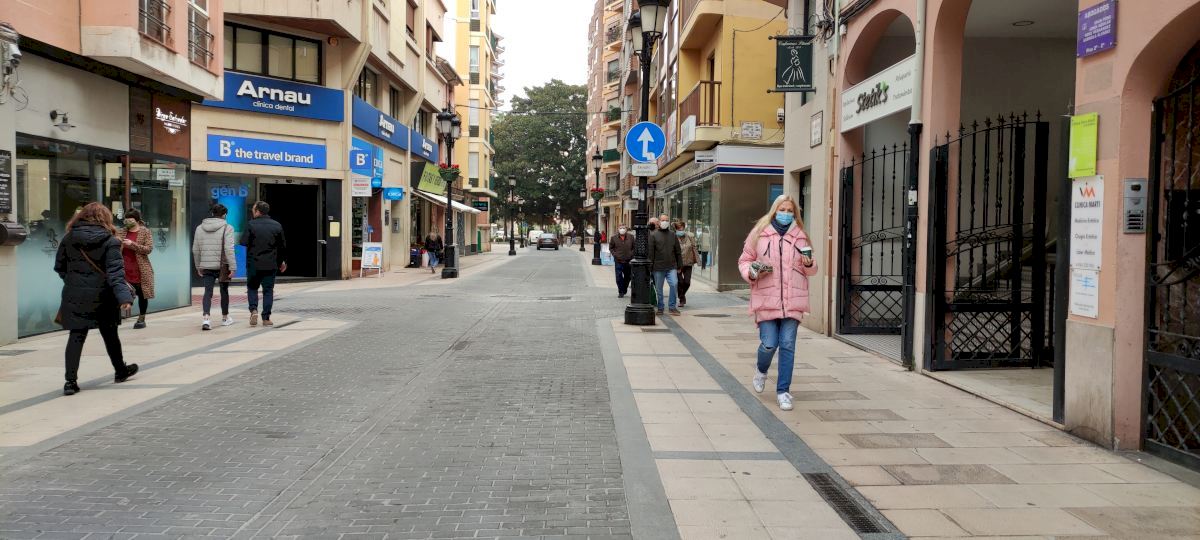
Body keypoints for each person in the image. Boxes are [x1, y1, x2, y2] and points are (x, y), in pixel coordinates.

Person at [738, 195, 817, 411]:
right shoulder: (759, 233)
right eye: (782, 209)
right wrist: (752, 272)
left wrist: (809, 264)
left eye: (790, 210)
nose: (786, 214)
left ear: (795, 214)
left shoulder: (800, 236)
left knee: (788, 345)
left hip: (793, 300)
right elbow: (745, 260)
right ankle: (761, 370)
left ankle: (783, 392)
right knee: (769, 344)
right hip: (766, 298)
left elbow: (811, 269)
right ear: (774, 211)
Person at [55, 202, 139, 395]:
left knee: (76, 335)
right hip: (104, 295)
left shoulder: (69, 238)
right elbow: (115, 273)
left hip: (75, 294)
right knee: (110, 334)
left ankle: (70, 382)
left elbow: (60, 267)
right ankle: (120, 371)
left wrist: (73, 281)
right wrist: (124, 298)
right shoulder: (111, 241)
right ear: (106, 218)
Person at [241, 201, 287, 327]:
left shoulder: (251, 224)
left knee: (252, 288)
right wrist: (281, 262)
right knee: (268, 291)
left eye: (253, 209)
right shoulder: (277, 225)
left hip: (253, 264)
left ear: (257, 211)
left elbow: (243, 242)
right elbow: (282, 246)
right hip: (270, 264)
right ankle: (266, 318)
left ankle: (253, 310)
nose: (252, 212)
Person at [192, 204, 237, 330]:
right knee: (224, 291)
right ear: (224, 215)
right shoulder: (228, 228)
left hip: (206, 265)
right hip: (222, 266)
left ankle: (206, 319)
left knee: (208, 292)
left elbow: (195, 249)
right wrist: (233, 266)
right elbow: (229, 249)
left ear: (212, 214)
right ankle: (225, 318)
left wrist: (198, 266)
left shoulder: (200, 228)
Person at [117, 209, 155, 329]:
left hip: (140, 268)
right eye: (126, 219)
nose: (127, 222)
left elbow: (148, 249)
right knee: (121, 291)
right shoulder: (121, 231)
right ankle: (117, 316)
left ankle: (141, 318)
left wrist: (132, 244)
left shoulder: (145, 232)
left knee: (142, 294)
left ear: (137, 220)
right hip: (123, 267)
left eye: (131, 220)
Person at [648, 213, 682, 316]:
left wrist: (679, 265)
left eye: (666, 220)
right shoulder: (653, 235)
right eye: (663, 220)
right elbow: (651, 253)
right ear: (659, 222)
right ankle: (660, 307)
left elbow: (678, 251)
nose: (665, 222)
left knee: (674, 284)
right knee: (659, 289)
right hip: (658, 267)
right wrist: (650, 267)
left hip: (671, 266)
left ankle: (672, 307)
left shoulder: (673, 235)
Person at [675, 220, 700, 307]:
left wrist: (698, 261)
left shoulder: (690, 236)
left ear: (684, 228)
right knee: (680, 282)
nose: (680, 230)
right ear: (676, 229)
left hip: (688, 262)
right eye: (678, 229)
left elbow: (694, 248)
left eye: (681, 228)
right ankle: (682, 299)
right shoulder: (674, 237)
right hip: (678, 264)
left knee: (687, 282)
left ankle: (681, 295)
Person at [608, 223, 635, 298]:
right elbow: (611, 247)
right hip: (618, 261)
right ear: (618, 229)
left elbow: (634, 247)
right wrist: (615, 255)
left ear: (626, 229)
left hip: (628, 261)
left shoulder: (631, 237)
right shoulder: (614, 238)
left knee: (628, 277)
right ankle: (621, 291)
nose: (622, 229)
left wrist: (631, 254)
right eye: (620, 228)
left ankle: (624, 289)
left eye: (624, 228)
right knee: (618, 277)